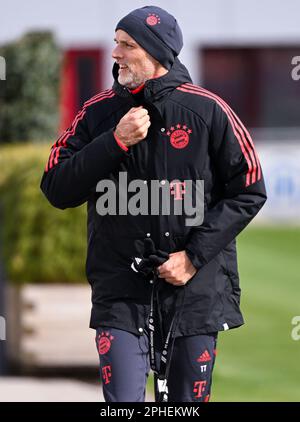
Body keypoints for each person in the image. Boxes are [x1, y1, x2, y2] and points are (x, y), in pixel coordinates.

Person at [40, 5, 267, 402]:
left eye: (126, 45)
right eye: (115, 43)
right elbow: (56, 188)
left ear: (156, 53)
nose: (115, 54)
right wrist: (114, 141)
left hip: (194, 295)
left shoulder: (208, 110)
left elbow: (249, 188)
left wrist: (193, 257)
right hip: (120, 295)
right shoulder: (97, 113)